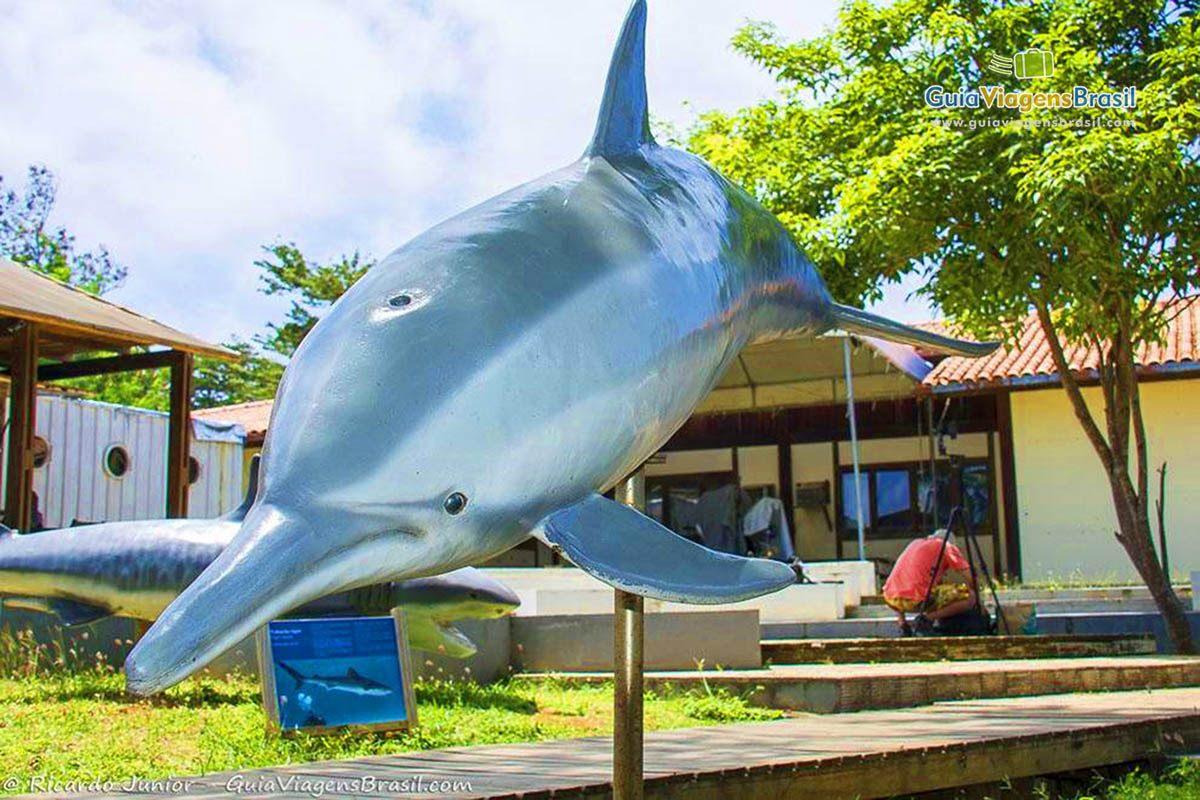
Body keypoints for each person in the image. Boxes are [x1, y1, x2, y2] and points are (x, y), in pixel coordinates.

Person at [883, 529, 977, 636]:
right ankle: (925, 620)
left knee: (907, 586)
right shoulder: (945, 546)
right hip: (917, 600)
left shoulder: (915, 544)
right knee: (970, 597)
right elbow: (971, 577)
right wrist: (978, 598)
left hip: (891, 598)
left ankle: (903, 626)